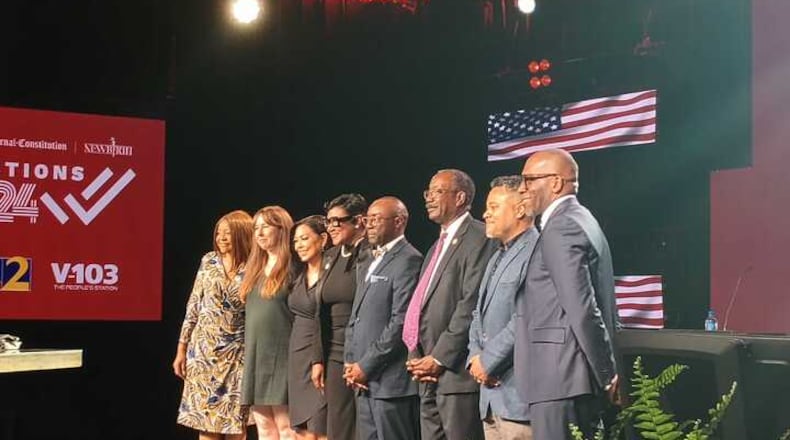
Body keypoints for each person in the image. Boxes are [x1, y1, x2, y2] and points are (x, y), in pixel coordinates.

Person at [514, 149, 619, 439]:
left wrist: (608, 373)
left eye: (529, 179)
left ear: (556, 183)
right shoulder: (582, 218)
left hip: (560, 378)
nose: (522, 188)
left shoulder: (561, 226)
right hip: (568, 379)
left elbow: (583, 307)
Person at [403, 169, 496, 440]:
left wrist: (439, 357)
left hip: (455, 374)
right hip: (427, 373)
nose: (429, 198)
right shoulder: (435, 246)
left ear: (460, 197)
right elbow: (420, 305)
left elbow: (471, 304)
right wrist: (417, 356)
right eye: (427, 193)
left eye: (437, 192)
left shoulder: (480, 237)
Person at [344, 196, 423, 440]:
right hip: (363, 380)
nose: (369, 225)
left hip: (389, 383)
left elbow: (400, 321)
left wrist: (366, 365)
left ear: (398, 221)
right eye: (368, 219)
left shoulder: (409, 259)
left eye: (377, 219)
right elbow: (356, 315)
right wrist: (350, 361)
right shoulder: (369, 258)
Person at [467, 176, 538, 440]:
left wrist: (488, 361)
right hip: (490, 399)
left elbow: (527, 316)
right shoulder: (497, 255)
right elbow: (478, 313)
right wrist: (474, 357)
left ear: (520, 210)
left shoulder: (536, 251)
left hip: (517, 397)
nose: (485, 214)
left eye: (494, 207)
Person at [174, 210, 253, 440]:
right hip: (203, 353)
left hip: (238, 354)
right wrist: (181, 349)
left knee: (236, 425)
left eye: (228, 233)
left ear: (242, 234)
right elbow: (194, 306)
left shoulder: (254, 266)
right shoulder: (208, 261)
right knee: (206, 423)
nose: (221, 238)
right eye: (218, 233)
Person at [240, 206, 296, 440]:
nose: (260, 233)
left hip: (283, 355)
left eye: (266, 227)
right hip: (256, 355)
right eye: (256, 228)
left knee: (286, 427)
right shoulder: (254, 268)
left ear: (281, 229)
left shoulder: (294, 267)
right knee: (263, 427)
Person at [316, 193, 368, 440]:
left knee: (363, 429)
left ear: (359, 221)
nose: (332, 227)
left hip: (363, 354)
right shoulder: (330, 256)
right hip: (334, 354)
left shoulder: (371, 255)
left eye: (339, 221)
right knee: (337, 428)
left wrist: (362, 359)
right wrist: (318, 357)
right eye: (329, 222)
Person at [289, 215, 330, 440]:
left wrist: (319, 359)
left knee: (320, 427)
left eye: (304, 238)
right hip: (297, 354)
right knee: (301, 432)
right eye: (296, 241)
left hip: (321, 351)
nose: (299, 246)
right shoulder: (297, 275)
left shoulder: (332, 274)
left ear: (323, 239)